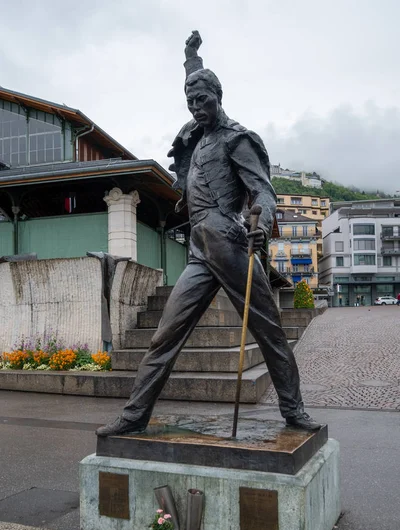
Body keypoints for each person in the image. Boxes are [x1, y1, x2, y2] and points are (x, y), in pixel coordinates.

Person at [96, 31, 321, 437]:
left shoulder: (237, 139)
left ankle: (294, 411)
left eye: (204, 100)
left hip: (230, 242)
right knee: (165, 335)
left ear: (219, 97)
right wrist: (190, 58)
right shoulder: (197, 136)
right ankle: (134, 415)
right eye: (190, 102)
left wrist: (261, 220)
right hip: (200, 249)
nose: (197, 108)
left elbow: (263, 190)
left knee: (268, 331)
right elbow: (197, 80)